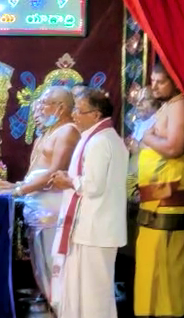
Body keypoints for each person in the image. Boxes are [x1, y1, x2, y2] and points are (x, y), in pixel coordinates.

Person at [50, 88, 128, 318]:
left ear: (95, 115)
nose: (74, 114)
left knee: (94, 295)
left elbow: (93, 186)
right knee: (81, 292)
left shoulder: (101, 141)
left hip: (96, 229)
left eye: (79, 110)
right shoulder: (97, 138)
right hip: (89, 228)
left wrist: (69, 180)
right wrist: (71, 178)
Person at [0, 86, 80, 302]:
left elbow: (55, 172)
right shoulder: (47, 133)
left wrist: (19, 190)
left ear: (60, 107)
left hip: (53, 210)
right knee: (41, 267)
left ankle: (63, 310)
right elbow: (34, 174)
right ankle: (53, 305)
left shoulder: (68, 131)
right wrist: (10, 186)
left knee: (55, 266)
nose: (38, 108)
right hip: (37, 208)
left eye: (43, 103)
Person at [134, 63, 184, 317]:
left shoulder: (179, 106)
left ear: (176, 79)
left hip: (168, 200)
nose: (154, 87)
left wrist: (146, 137)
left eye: (160, 82)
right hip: (152, 200)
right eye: (152, 81)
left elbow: (174, 148)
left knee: (165, 272)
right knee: (149, 269)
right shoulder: (167, 106)